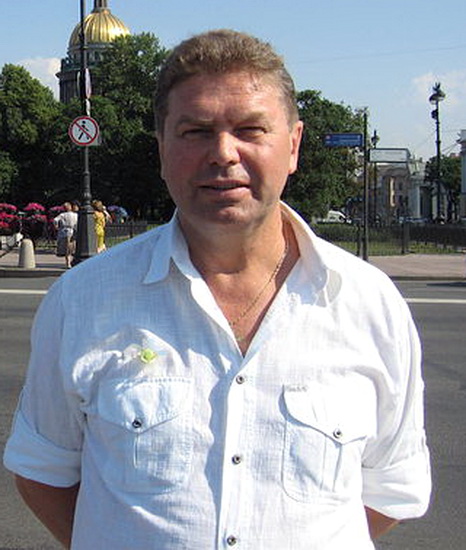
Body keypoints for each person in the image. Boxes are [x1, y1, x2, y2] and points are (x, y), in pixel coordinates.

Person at [3, 30, 431, 549]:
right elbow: (43, 473)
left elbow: (391, 490)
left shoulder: (370, 303)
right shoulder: (82, 300)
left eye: (251, 129)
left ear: (293, 145)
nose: (224, 153)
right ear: (162, 150)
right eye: (196, 131)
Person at [53, 201, 78, 268]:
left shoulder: (62, 215)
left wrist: (56, 226)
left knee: (66, 249)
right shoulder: (75, 215)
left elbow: (55, 220)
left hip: (63, 232)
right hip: (72, 232)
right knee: (72, 248)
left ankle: (68, 263)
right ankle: (71, 262)